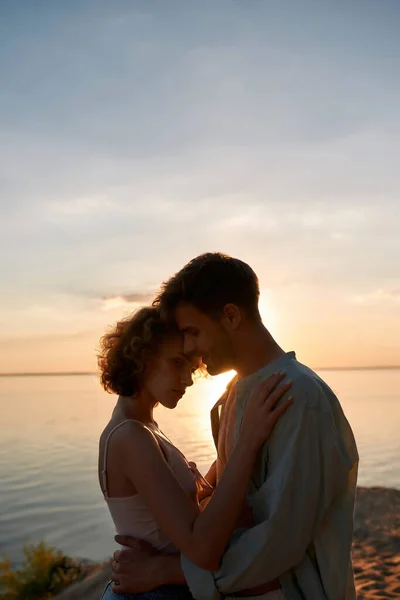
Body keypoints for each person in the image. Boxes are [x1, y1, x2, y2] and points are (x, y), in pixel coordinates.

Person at [111, 253, 359, 600]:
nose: (189, 347)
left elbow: (282, 538)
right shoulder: (238, 393)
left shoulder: (298, 397)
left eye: (192, 332)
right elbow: (240, 503)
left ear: (230, 315)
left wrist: (166, 570)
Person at [97, 306, 293, 600]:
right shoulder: (130, 436)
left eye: (191, 369)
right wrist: (248, 440)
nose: (188, 380)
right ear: (141, 356)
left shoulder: (145, 428)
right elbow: (202, 550)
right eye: (177, 363)